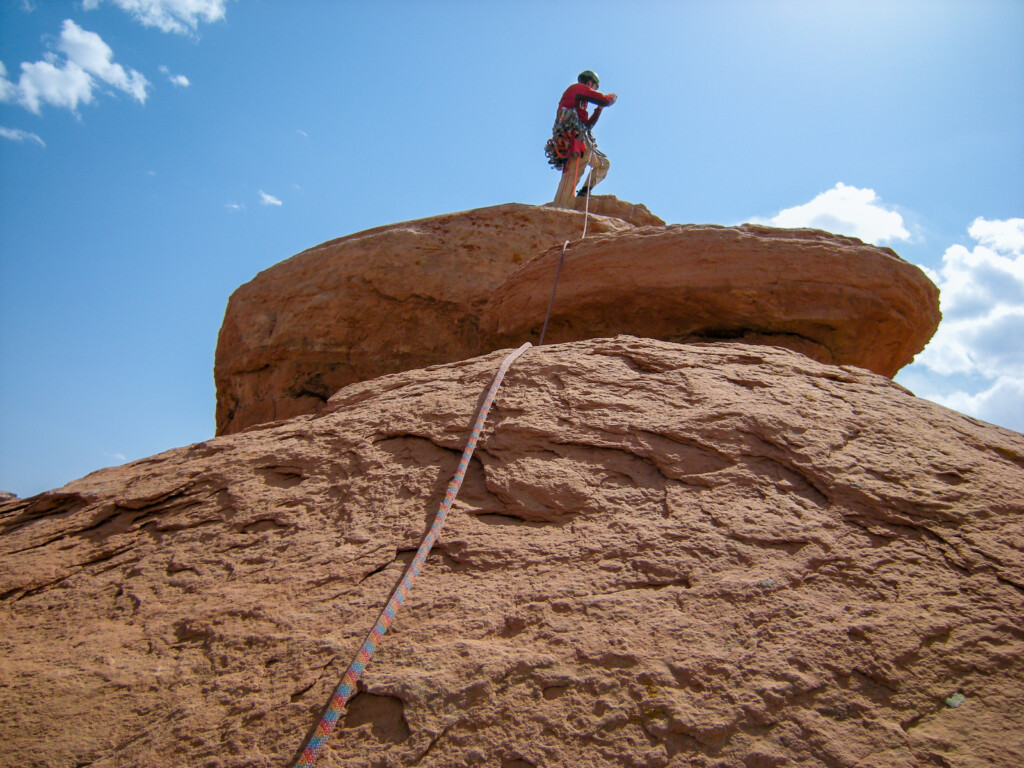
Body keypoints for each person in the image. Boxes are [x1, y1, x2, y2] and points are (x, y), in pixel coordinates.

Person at [546, 70, 617, 208]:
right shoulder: (578, 88)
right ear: (590, 83)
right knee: (572, 174)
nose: (593, 90)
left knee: (603, 164)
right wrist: (612, 98)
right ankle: (561, 207)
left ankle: (583, 193)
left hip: (583, 141)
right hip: (574, 140)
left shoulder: (581, 103)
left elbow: (588, 125)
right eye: (594, 87)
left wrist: (598, 110)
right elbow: (605, 99)